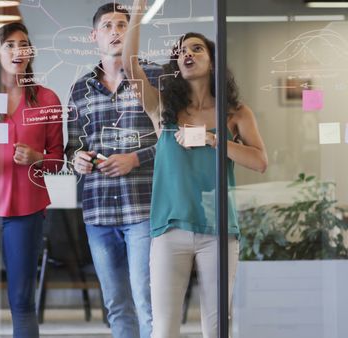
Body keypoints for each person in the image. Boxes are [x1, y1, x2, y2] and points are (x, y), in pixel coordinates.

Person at [122, 1, 268, 337]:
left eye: (196, 48)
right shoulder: (163, 110)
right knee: (164, 328)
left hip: (218, 231)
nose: (187, 54)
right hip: (169, 231)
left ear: (212, 60)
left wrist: (213, 140)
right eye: (181, 51)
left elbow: (259, 162)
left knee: (216, 329)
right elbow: (130, 68)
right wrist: (137, 12)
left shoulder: (235, 113)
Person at [0, 22, 64, 338]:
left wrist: (37, 159)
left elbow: (58, 161)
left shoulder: (47, 98)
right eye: (10, 45)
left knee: (22, 303)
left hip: (27, 214)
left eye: (24, 44)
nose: (19, 51)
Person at [66, 3, 162, 338]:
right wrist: (77, 158)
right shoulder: (79, 89)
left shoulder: (154, 77)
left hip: (143, 208)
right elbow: (72, 145)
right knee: (117, 304)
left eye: (122, 24)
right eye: (107, 25)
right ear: (95, 36)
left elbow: (172, 140)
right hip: (98, 211)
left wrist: (136, 158)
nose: (115, 31)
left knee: (147, 300)